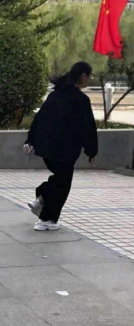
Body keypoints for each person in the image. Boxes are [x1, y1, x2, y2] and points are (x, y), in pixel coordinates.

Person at [24, 61, 98, 231]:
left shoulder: (55, 95)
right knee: (63, 185)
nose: (89, 80)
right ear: (83, 76)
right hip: (65, 150)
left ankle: (41, 201)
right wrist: (91, 151)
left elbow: (39, 119)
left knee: (59, 180)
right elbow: (87, 127)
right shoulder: (81, 100)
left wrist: (30, 140)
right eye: (89, 76)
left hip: (46, 148)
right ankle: (45, 219)